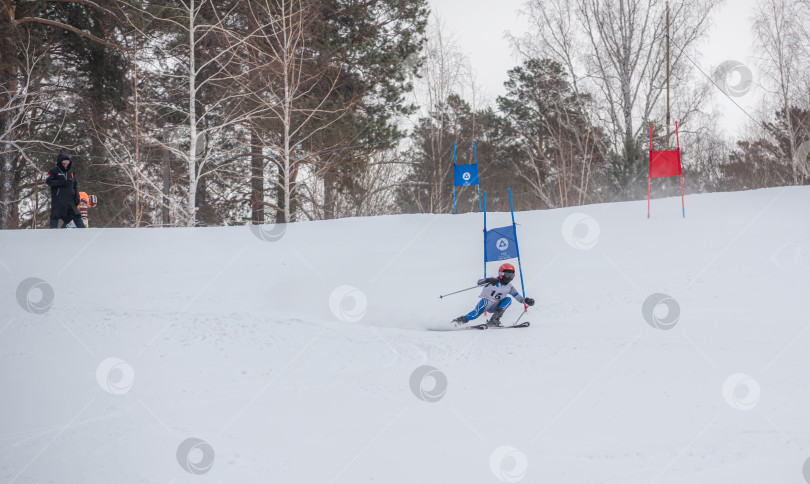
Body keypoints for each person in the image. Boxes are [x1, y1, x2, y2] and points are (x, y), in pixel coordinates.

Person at [452, 262, 535, 327]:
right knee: (475, 315)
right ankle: (459, 321)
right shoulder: (493, 280)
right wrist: (488, 280)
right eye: (507, 275)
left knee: (508, 300)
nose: (509, 278)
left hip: (495, 306)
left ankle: (494, 320)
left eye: (511, 275)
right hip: (486, 302)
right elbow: (479, 282)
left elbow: (519, 298)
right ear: (501, 274)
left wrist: (527, 300)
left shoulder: (509, 287)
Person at [45, 153, 85, 229]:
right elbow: (49, 182)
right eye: (64, 162)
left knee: (77, 216)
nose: (66, 164)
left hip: (71, 201)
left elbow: (75, 186)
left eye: (68, 162)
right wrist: (63, 182)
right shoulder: (53, 171)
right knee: (54, 217)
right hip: (58, 201)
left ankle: (84, 234)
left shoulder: (71, 172)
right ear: (60, 162)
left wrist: (77, 197)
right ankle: (52, 236)